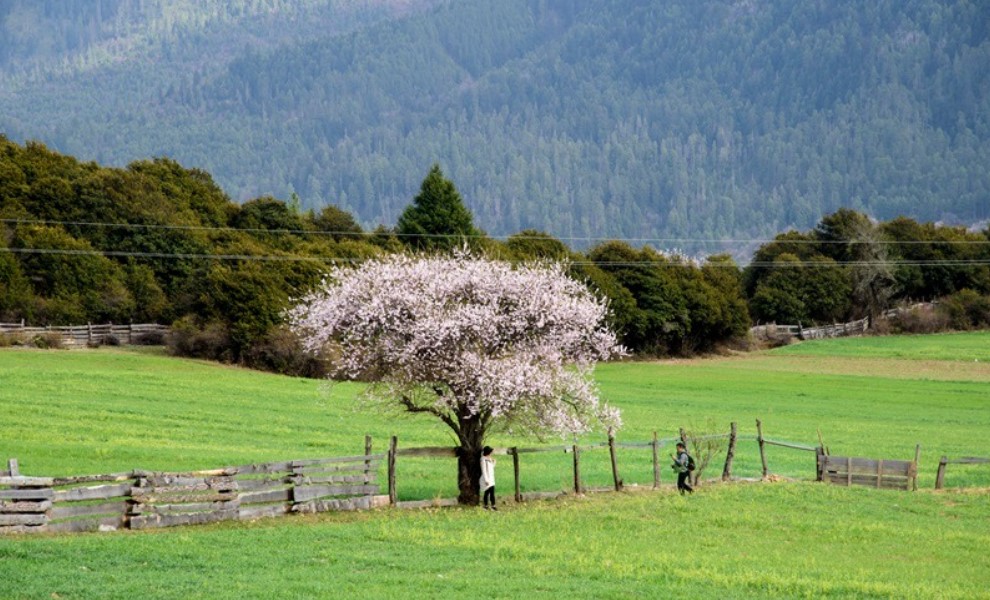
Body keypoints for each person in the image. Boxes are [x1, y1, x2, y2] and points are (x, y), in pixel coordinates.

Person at [480, 445, 497, 510]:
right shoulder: (483, 460)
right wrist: (486, 480)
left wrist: (494, 462)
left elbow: (491, 467)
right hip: (486, 479)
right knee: (487, 493)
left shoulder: (489, 459)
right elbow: (484, 470)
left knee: (492, 492)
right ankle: (486, 505)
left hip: (491, 478)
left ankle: (493, 505)